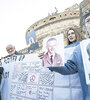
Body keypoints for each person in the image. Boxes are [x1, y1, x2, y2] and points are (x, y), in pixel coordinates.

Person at [48, 11, 90, 100]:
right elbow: (68, 68)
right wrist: (49, 59)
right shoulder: (79, 50)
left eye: (72, 33)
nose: (70, 36)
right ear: (85, 26)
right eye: (88, 20)